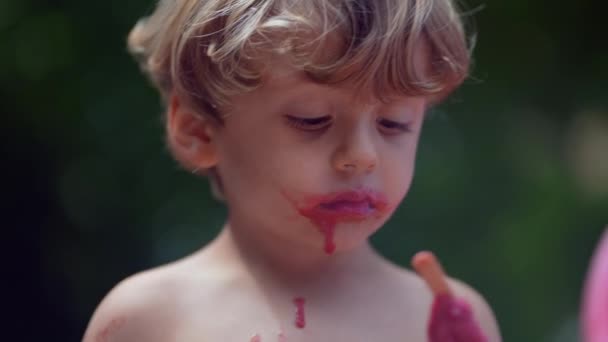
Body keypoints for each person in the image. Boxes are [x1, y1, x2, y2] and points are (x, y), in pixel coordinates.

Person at [83, 0, 501, 341]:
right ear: (199, 131)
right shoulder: (147, 319)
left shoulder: (447, 315)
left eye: (393, 123)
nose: (361, 155)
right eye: (312, 119)